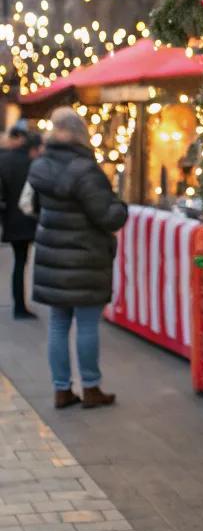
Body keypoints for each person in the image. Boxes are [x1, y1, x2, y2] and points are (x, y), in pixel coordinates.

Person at [28, 107, 127, 410]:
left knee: (58, 324)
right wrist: (121, 206)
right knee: (86, 325)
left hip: (53, 257)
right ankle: (91, 387)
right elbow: (107, 216)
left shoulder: (40, 166)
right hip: (85, 258)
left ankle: (61, 389)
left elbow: (35, 207)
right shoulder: (85, 170)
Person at [0, 121, 43, 319]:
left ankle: (19, 304)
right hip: (29, 218)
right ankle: (22, 305)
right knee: (23, 262)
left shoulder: (4, 160)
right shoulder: (33, 163)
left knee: (19, 263)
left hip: (11, 218)